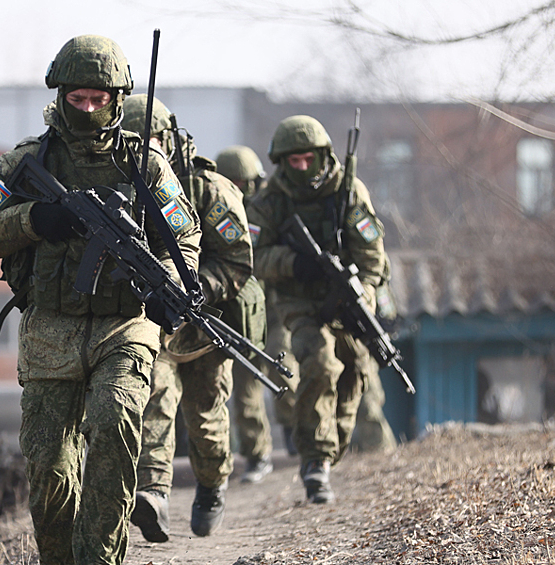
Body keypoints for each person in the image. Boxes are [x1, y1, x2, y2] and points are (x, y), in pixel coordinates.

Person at [0, 35, 201, 564]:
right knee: (49, 465)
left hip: (125, 325)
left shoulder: (146, 164)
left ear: (117, 98)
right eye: (77, 98)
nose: (88, 109)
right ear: (60, 94)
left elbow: (184, 237)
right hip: (51, 328)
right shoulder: (27, 162)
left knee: (114, 422)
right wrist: (34, 219)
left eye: (99, 99)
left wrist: (172, 289)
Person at [121, 95, 260, 540]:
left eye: (153, 141)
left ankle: (212, 486)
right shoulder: (119, 186)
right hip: (152, 324)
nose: (146, 151)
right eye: (134, 142)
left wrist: (197, 288)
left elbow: (236, 260)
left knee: (205, 417)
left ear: (171, 140)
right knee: (154, 399)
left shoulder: (208, 189)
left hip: (204, 324)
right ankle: (154, 493)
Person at [246, 115, 390, 504]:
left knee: (355, 370)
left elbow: (372, 256)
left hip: (347, 298)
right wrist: (294, 263)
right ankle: (315, 460)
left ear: (323, 155)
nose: (302, 167)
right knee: (320, 363)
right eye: (293, 161)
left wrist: (364, 296)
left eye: (308, 159)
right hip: (299, 301)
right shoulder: (269, 201)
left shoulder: (348, 191)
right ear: (281, 162)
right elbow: (252, 256)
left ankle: (330, 447)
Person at [215, 145, 299, 483]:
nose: (240, 189)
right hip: (238, 316)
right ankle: (257, 455)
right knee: (246, 388)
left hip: (274, 309)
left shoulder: (272, 208)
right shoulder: (214, 210)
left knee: (284, 367)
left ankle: (295, 431)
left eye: (245, 182)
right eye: (233, 182)